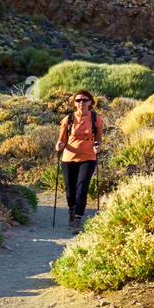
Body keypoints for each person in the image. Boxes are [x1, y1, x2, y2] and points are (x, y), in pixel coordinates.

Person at [55, 89, 104, 232]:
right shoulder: (68, 119)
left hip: (88, 157)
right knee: (70, 189)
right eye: (78, 100)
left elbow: (99, 139)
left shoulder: (96, 119)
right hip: (69, 157)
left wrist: (98, 146)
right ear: (74, 103)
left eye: (85, 100)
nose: (81, 102)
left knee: (82, 187)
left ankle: (77, 218)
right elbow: (61, 139)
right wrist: (59, 145)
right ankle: (71, 209)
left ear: (91, 103)